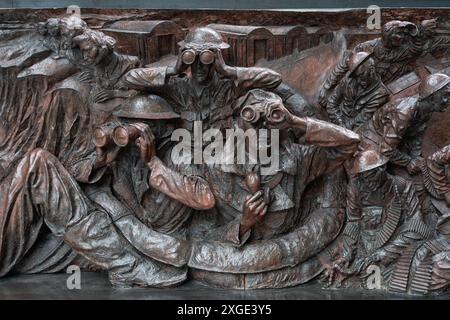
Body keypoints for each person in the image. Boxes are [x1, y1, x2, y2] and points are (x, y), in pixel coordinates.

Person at [323, 150, 432, 288]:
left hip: (395, 240)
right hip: (366, 241)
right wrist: (346, 253)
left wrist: (382, 253)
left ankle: (379, 257)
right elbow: (353, 221)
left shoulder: (401, 185)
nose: (366, 181)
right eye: (362, 177)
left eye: (369, 176)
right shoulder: (356, 189)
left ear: (382, 169)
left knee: (417, 230)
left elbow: (417, 223)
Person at [356, 73, 450, 176]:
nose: (448, 100)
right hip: (374, 137)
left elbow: (417, 137)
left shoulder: (427, 110)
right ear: (431, 98)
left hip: (396, 138)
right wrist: (409, 162)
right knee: (376, 171)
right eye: (446, 96)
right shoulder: (404, 112)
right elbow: (386, 150)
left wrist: (416, 157)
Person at [325, 52, 389, 130]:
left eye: (361, 75)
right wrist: (339, 122)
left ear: (372, 69)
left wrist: (343, 130)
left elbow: (362, 118)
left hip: (355, 131)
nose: (358, 80)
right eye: (356, 76)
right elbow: (332, 102)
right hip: (336, 121)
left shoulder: (381, 94)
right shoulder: (349, 80)